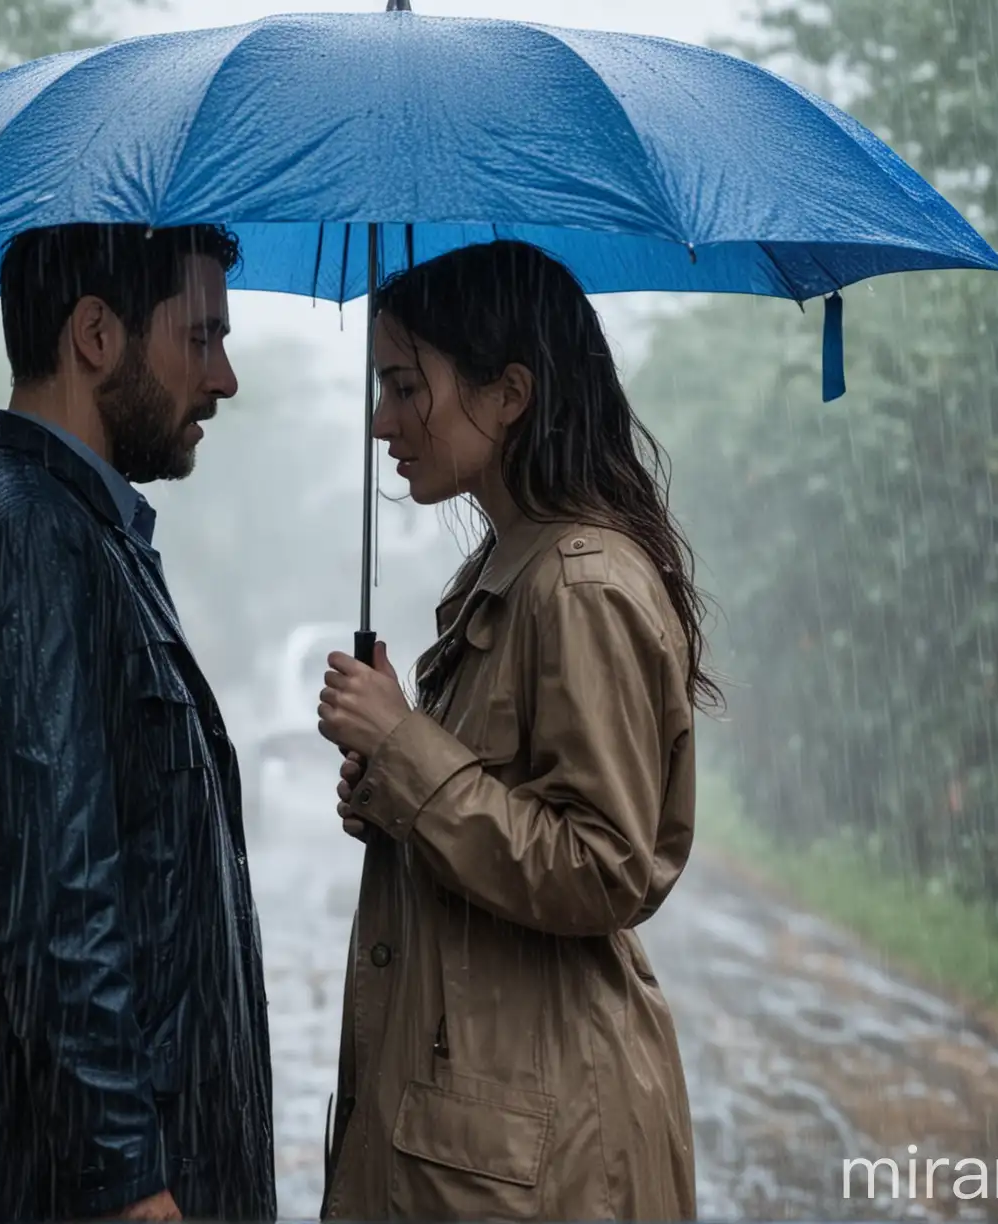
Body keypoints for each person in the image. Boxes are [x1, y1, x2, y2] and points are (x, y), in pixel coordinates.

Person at [313, 240, 718, 1220]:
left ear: (508, 394)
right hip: (490, 1135)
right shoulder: (516, 573)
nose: (381, 421)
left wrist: (412, 757)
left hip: (542, 1154)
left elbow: (606, 864)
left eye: (405, 386)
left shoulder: (579, 586)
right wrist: (393, 792)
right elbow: (504, 808)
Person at [0, 222, 275, 1224]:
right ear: (98, 336)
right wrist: (126, 1182)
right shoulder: (28, 548)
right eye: (200, 338)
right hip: (85, 1194)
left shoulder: (81, 536)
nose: (225, 377)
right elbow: (54, 901)